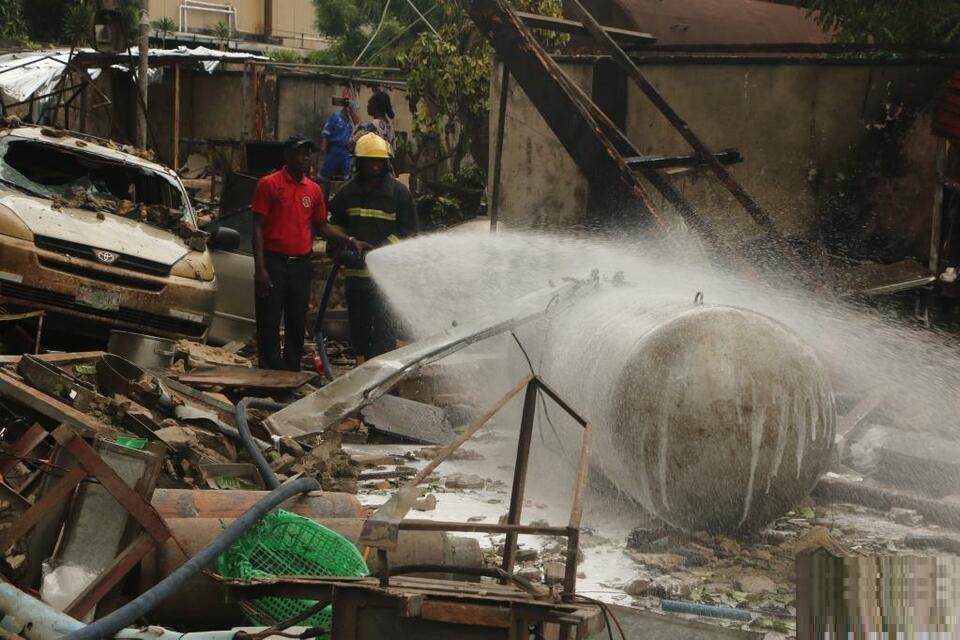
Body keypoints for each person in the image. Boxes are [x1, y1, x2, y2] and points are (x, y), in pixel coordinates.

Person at [252, 134, 368, 370]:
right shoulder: (269, 184)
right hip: (274, 262)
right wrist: (260, 269)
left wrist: (350, 240)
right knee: (269, 321)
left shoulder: (313, 190)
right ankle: (268, 373)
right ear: (287, 155)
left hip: (301, 265)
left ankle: (291, 371)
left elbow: (322, 226)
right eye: (299, 152)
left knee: (296, 320)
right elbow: (257, 227)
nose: (305, 157)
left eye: (308, 153)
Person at [328, 132, 417, 362]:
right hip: (356, 278)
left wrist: (379, 252)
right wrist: (341, 247)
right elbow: (335, 227)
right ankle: (360, 372)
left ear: (386, 162)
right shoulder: (347, 192)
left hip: (386, 280)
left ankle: (382, 380)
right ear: (359, 161)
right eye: (370, 160)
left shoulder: (398, 193)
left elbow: (408, 233)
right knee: (359, 332)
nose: (375, 165)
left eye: (379, 160)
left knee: (384, 335)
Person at [318, 93, 360, 180]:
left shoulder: (349, 122)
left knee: (347, 176)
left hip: (346, 151)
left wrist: (352, 111)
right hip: (335, 149)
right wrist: (323, 147)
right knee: (324, 174)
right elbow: (326, 132)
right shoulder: (335, 116)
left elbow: (359, 123)